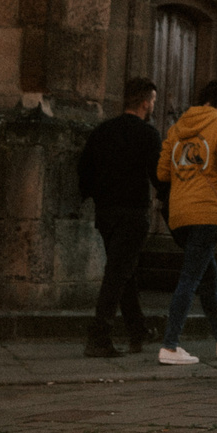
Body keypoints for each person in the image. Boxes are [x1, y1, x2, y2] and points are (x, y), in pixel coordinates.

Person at [155, 77, 217, 368]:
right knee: (190, 279)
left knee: (207, 276)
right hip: (205, 213)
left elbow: (162, 173)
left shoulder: (177, 128)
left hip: (179, 215)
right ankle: (170, 345)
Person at [77, 79, 163, 357]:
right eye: (153, 101)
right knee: (117, 274)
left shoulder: (102, 131)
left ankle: (138, 329)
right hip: (132, 212)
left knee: (124, 271)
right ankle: (99, 336)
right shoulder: (147, 134)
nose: (153, 106)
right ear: (145, 103)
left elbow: (85, 169)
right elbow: (158, 175)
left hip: (106, 212)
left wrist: (97, 195)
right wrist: (167, 196)